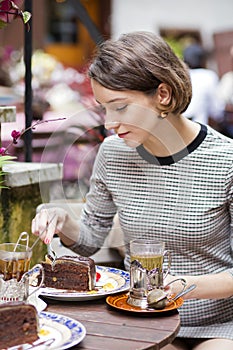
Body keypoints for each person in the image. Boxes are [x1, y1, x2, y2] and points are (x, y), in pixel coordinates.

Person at [32, 31, 233, 350]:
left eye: (121, 108)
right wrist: (60, 219)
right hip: (141, 320)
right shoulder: (112, 153)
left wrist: (182, 286)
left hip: (217, 327)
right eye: (104, 109)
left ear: (163, 94)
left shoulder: (226, 160)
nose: (109, 123)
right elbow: (89, 240)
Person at [182, 43, 224, 126]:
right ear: (202, 60)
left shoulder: (182, 76)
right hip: (199, 127)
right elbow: (216, 110)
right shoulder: (208, 76)